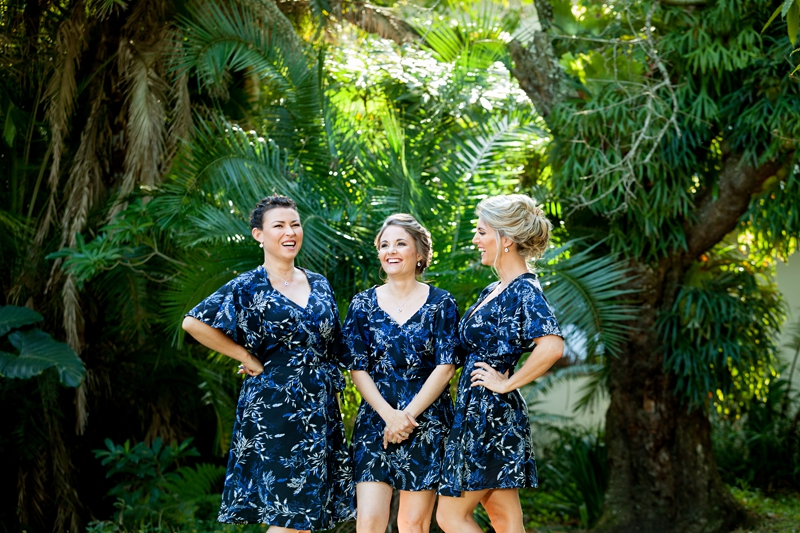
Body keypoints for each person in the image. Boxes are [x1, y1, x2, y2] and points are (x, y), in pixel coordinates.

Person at [181, 195, 354, 533]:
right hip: (274, 407)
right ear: (258, 235)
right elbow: (193, 323)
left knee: (305, 515)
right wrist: (245, 356)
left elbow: (333, 347)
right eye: (279, 226)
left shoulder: (320, 283)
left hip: (320, 408)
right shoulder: (247, 286)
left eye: (295, 225)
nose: (290, 232)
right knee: (290, 515)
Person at [436, 194, 565, 533]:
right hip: (479, 410)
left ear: (505, 239)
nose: (475, 240)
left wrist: (506, 383)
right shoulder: (494, 289)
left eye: (481, 232)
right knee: (505, 520)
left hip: (490, 415)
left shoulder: (525, 290)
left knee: (450, 516)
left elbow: (552, 346)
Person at [342, 214, 460, 533]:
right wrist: (389, 417)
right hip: (375, 421)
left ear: (419, 253)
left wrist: (405, 418)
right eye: (384, 245)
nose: (390, 251)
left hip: (426, 422)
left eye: (400, 244)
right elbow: (357, 367)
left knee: (412, 523)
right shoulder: (362, 304)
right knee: (368, 521)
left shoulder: (442, 303)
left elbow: (446, 366)